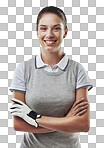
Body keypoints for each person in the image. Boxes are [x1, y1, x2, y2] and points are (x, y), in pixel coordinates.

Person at [9, 6, 93, 148]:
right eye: (43, 28)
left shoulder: (77, 70)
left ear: (65, 32)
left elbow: (83, 125)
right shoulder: (23, 69)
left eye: (56, 28)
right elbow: (19, 124)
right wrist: (66, 120)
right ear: (37, 32)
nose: (49, 34)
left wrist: (35, 118)